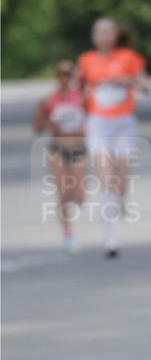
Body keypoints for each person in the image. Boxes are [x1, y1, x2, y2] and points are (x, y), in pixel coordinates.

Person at [77, 18, 150, 257]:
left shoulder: (129, 58)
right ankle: (110, 240)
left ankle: (122, 197)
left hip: (124, 125)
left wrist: (128, 80)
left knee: (122, 177)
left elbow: (146, 86)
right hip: (98, 124)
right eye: (99, 31)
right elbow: (79, 92)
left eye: (108, 31)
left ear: (116, 35)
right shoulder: (86, 61)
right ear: (93, 37)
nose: (104, 36)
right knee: (105, 177)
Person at [33, 60, 87, 254]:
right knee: (63, 194)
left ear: (73, 75)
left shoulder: (82, 97)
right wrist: (49, 125)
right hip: (57, 150)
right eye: (61, 73)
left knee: (79, 197)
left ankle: (70, 222)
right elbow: (38, 128)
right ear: (56, 76)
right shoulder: (47, 100)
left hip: (79, 149)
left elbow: (94, 121)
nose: (65, 77)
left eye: (68, 73)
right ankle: (68, 234)